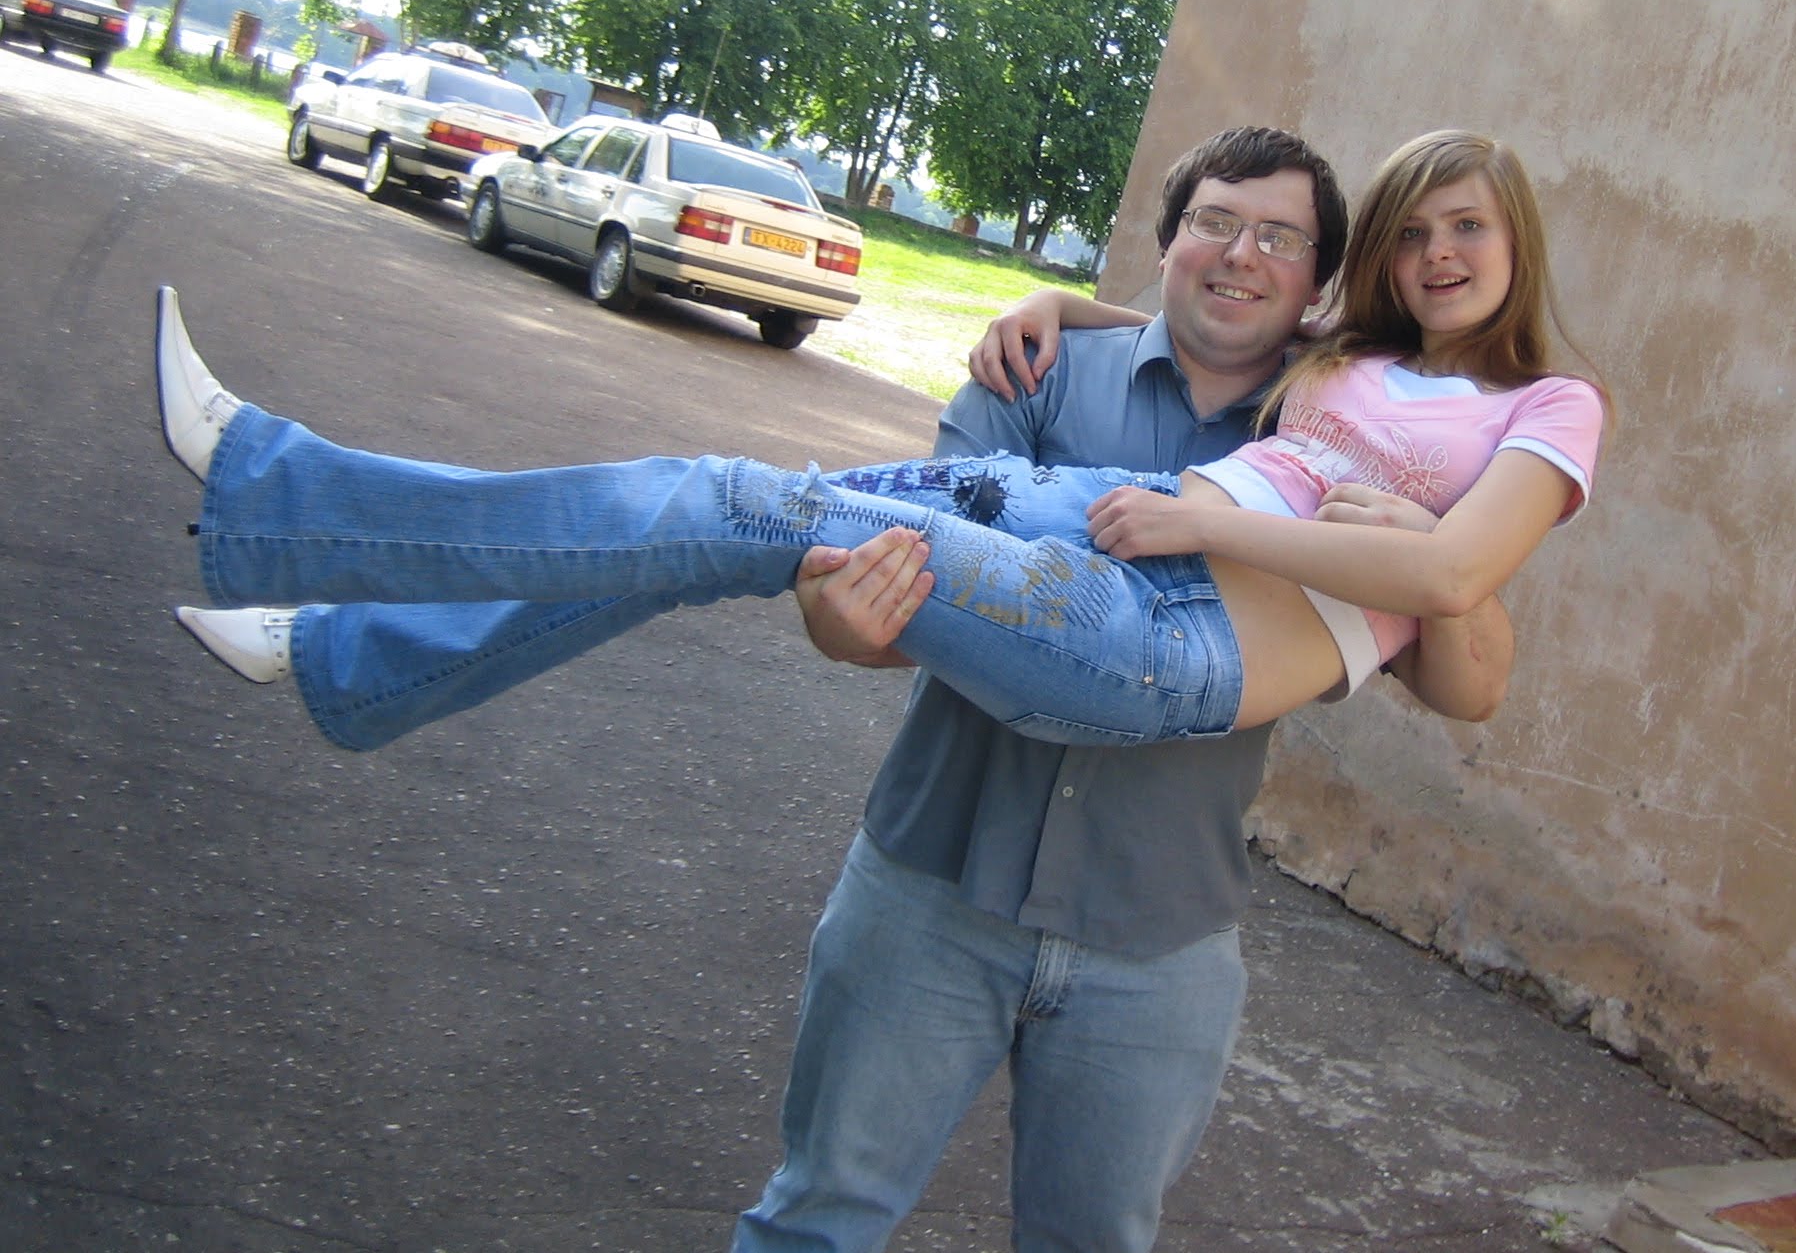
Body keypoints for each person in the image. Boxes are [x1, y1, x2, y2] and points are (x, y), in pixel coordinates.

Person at [161, 127, 1603, 1249]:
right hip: (943, 864)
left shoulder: (1451, 402)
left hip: (1155, 867)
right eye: (1217, 226)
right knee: (741, 505)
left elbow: (1464, 638)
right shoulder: (1125, 368)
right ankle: (323, 589)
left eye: (1285, 239)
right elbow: (860, 615)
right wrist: (1050, 309)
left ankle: (301, 551)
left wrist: (1267, 531)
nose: (1246, 257)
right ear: (1172, 244)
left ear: (1319, 277)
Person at [160, 134, 1601, 752]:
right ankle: (345, 648)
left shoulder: (1551, 408)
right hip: (1108, 514)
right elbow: (1221, 300)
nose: (1439, 253)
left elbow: (1457, 587)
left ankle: (278, 498)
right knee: (730, 506)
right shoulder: (1344, 363)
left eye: (1467, 227)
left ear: (1515, 243)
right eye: (1413, 232)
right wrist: (1062, 302)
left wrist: (1212, 523)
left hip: (1168, 631)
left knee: (735, 508)